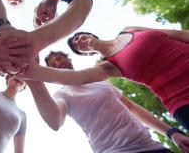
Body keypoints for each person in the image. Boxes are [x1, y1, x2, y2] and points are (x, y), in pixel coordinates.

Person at [18, 27, 189, 131]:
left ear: (91, 35)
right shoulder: (108, 67)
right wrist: (33, 70)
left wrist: (170, 132)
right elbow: (78, 77)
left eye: (78, 37)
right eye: (77, 46)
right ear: (86, 53)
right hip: (181, 100)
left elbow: (178, 34)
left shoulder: (129, 29)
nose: (78, 41)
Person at [24, 51, 189, 153]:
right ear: (51, 71)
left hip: (152, 146)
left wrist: (171, 132)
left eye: (59, 58)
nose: (58, 62)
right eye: (53, 64)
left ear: (68, 58)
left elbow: (131, 107)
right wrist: (33, 78)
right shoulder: (63, 94)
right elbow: (54, 121)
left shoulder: (100, 81)